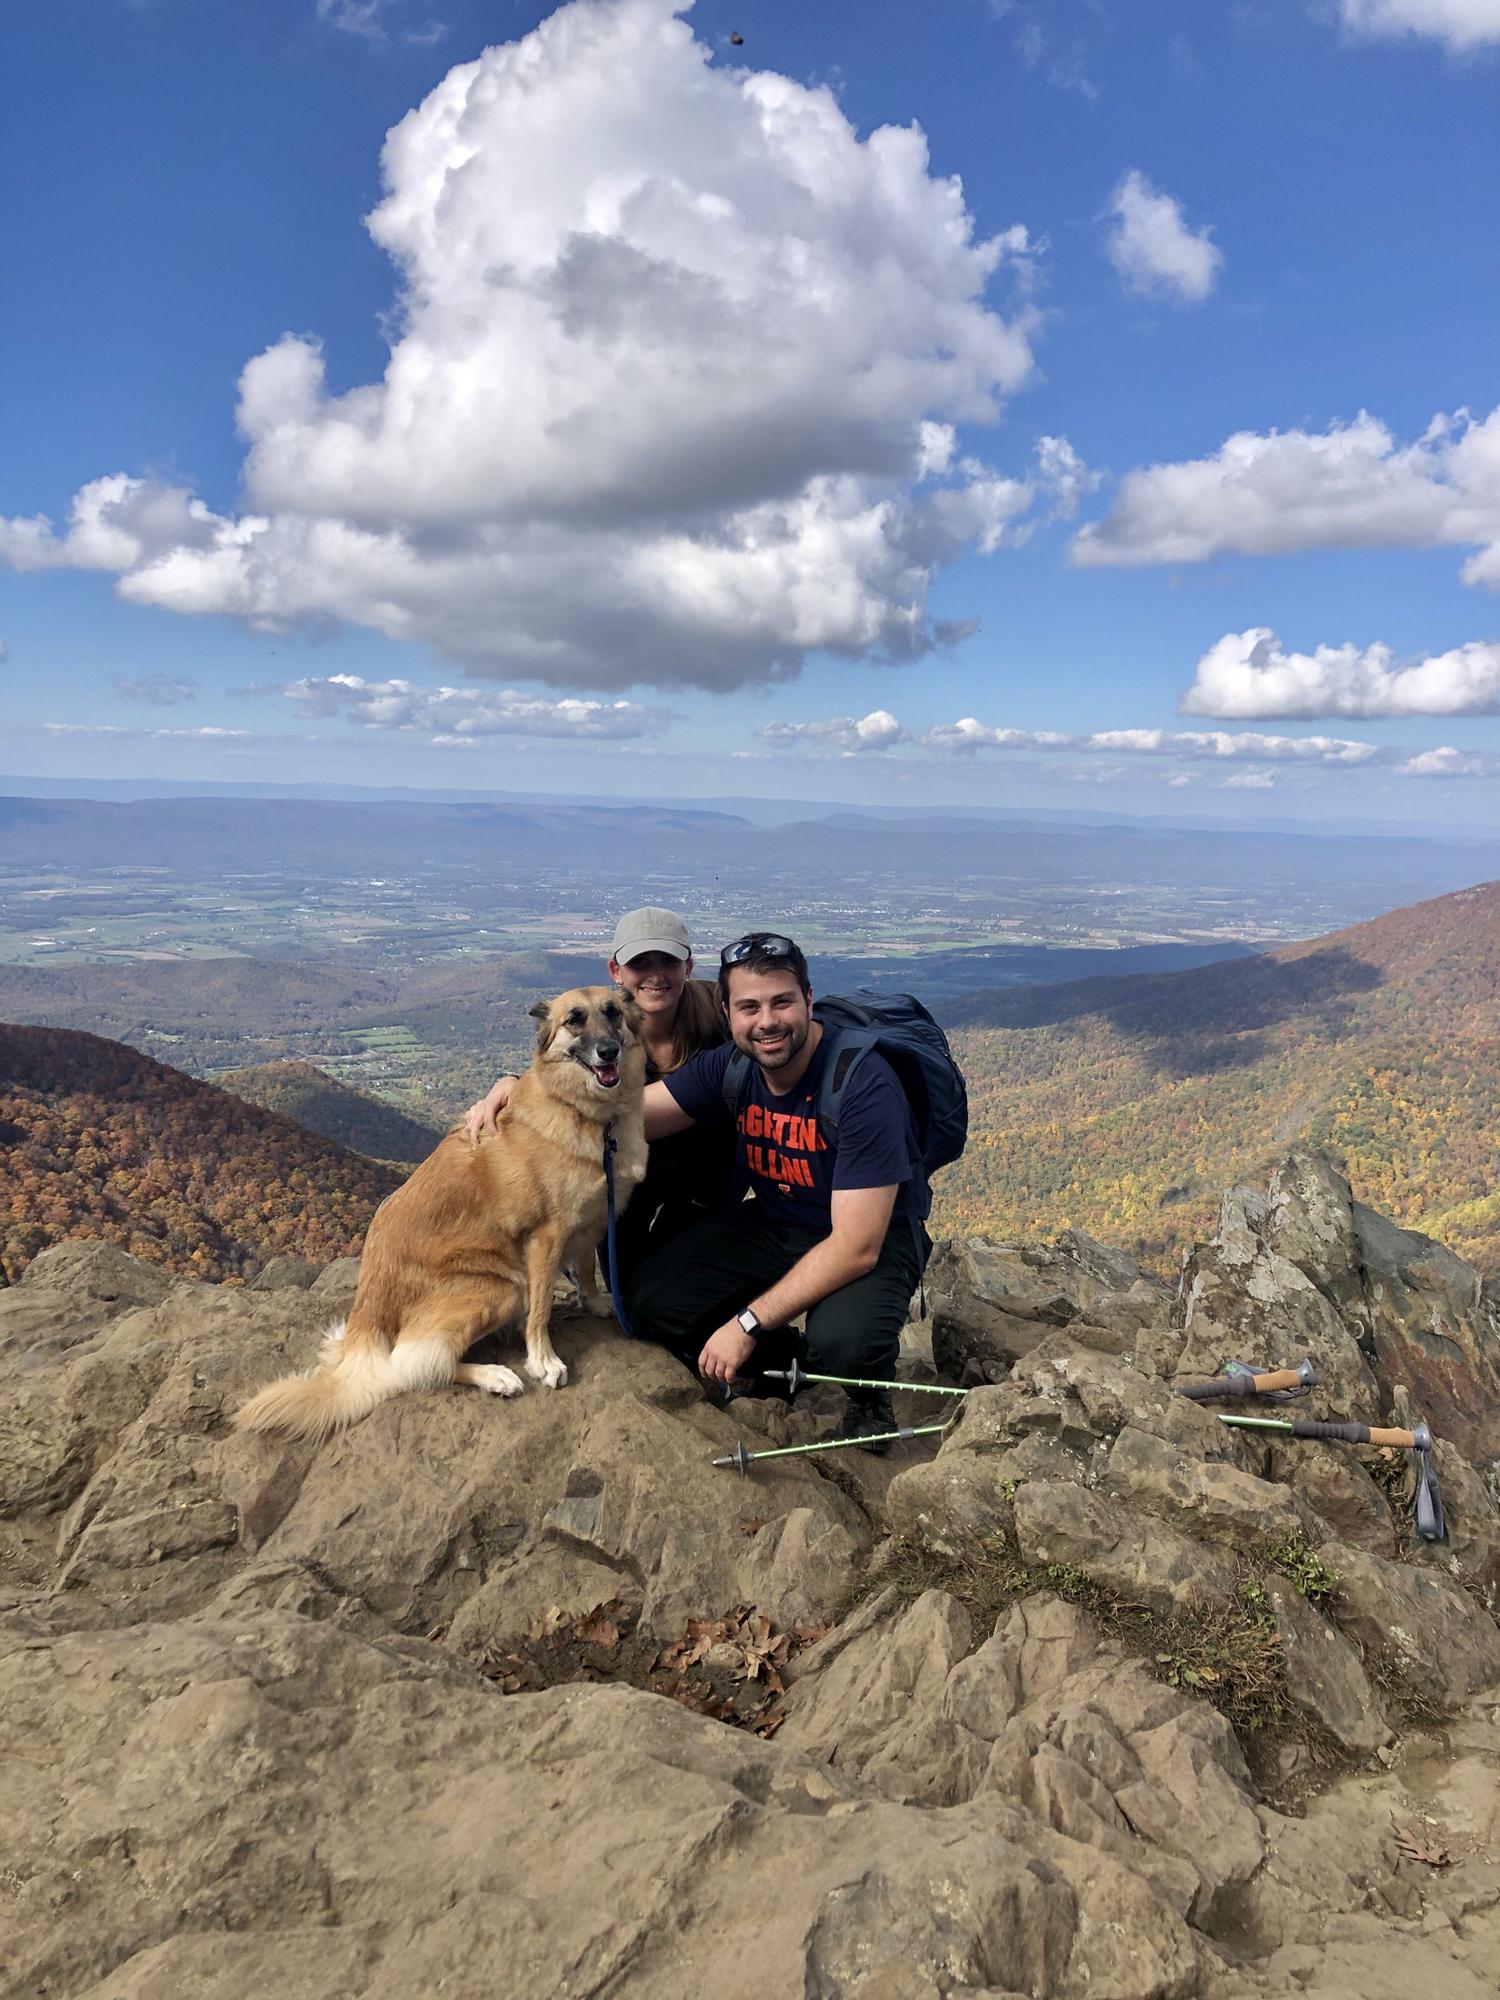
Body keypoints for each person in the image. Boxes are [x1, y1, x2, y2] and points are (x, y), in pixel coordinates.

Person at [625, 931, 930, 1451]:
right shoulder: (733, 1065)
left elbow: (856, 1246)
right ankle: (785, 1361)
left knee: (843, 1346)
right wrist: (519, 1089)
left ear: (808, 1000)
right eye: (748, 1007)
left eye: (781, 1002)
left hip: (869, 1238)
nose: (766, 1021)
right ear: (727, 1012)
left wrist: (744, 1323)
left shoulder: (862, 1083)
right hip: (776, 1221)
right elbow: (634, 1115)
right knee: (649, 1304)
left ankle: (867, 1393)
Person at [464, 907, 730, 1283]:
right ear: (616, 971)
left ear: (687, 967)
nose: (655, 974)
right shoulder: (603, 1019)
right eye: (640, 962)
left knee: (683, 1280)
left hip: (708, 1176)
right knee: (632, 1288)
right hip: (635, 1177)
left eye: (667, 960)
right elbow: (564, 1068)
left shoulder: (720, 1010)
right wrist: (512, 1082)